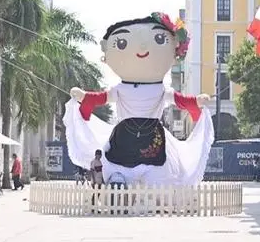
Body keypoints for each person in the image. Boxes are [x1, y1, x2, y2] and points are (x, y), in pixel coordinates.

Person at [64, 13, 214, 186]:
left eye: (159, 39)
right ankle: (119, 181)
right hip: (125, 136)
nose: (142, 48)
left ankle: (151, 188)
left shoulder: (160, 89)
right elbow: (102, 98)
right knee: (118, 162)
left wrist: (196, 101)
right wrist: (84, 97)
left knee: (157, 170)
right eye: (121, 43)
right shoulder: (121, 88)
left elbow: (179, 100)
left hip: (152, 136)